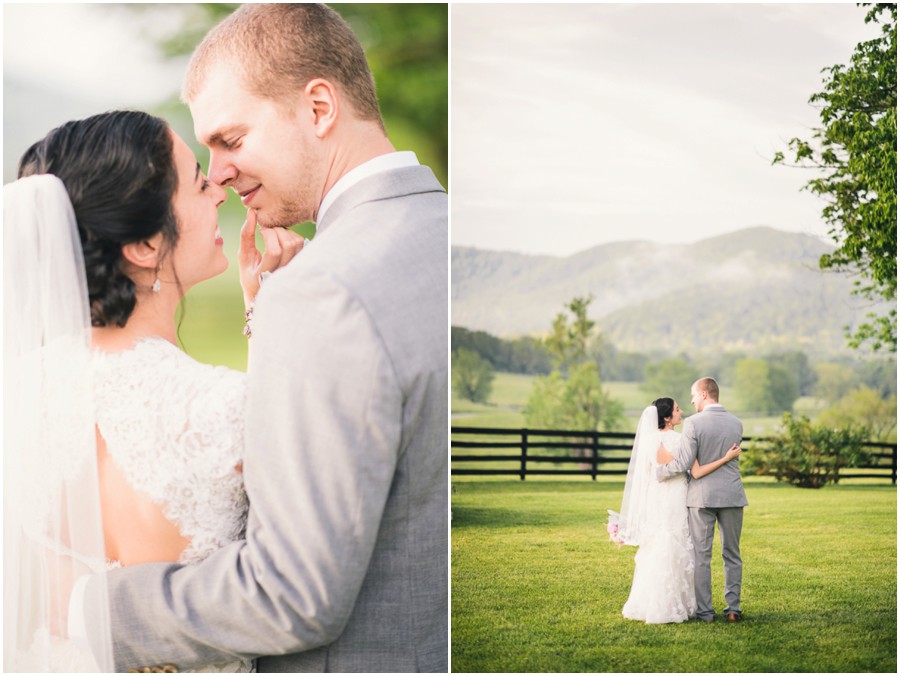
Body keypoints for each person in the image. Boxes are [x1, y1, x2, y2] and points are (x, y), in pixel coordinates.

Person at [80, 4, 448, 672]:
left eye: (230, 140)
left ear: (318, 108)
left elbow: (294, 595)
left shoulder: (323, 291)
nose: (217, 174)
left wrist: (87, 612)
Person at [3, 110, 302, 672]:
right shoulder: (222, 409)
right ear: (143, 243)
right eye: (198, 182)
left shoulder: (17, 388)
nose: (220, 192)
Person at [614, 398, 740, 624]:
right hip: (677, 499)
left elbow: (654, 474)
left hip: (657, 500)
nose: (681, 412)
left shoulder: (649, 441)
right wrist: (726, 458)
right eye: (677, 409)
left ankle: (652, 602)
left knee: (658, 546)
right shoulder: (680, 440)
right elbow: (697, 471)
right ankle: (678, 603)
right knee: (679, 546)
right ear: (666, 418)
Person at [657, 378, 748, 623]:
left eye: (694, 396)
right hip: (732, 495)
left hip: (701, 497)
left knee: (701, 555)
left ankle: (706, 612)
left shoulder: (693, 423)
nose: (691, 401)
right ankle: (733, 609)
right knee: (732, 553)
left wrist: (660, 471)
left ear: (705, 394)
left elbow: (686, 463)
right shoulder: (736, 423)